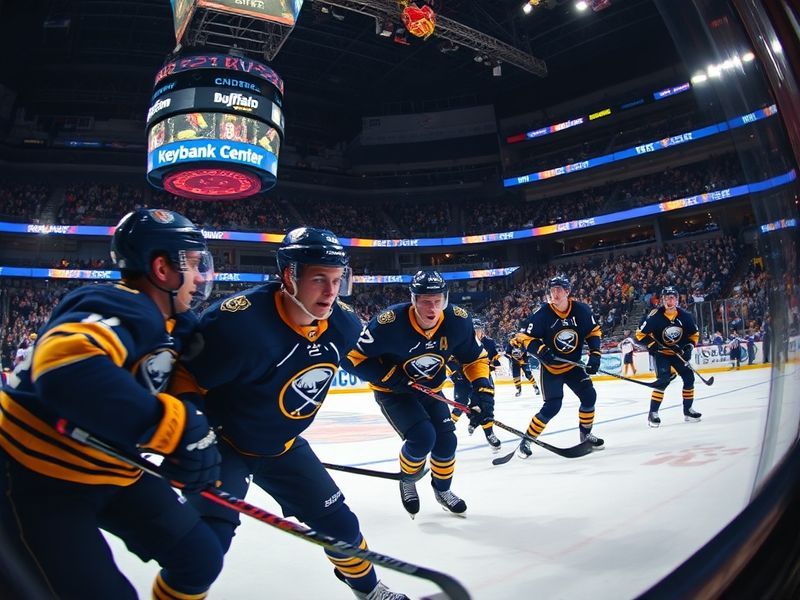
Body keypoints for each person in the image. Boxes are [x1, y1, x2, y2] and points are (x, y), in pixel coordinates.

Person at [0, 208, 223, 599]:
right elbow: (66, 368)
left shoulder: (171, 321)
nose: (201, 276)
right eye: (192, 263)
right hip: (35, 476)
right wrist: (174, 429)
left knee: (200, 558)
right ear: (161, 268)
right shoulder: (120, 303)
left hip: (108, 467)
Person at [181, 227, 408, 600]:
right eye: (319, 279)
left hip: (282, 447)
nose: (331, 290)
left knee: (342, 527)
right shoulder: (236, 324)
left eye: (337, 280)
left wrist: (398, 380)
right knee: (206, 545)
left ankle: (368, 590)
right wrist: (190, 438)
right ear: (289, 276)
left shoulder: (343, 324)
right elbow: (187, 381)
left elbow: (365, 363)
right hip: (224, 447)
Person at [345, 270, 493, 518]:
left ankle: (442, 490)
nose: (432, 308)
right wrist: (388, 376)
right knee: (423, 438)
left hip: (430, 391)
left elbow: (474, 358)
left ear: (445, 299)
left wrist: (483, 391)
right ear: (413, 299)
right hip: (394, 392)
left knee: (447, 442)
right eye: (425, 300)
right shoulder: (388, 323)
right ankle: (408, 478)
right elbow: (351, 358)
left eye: (437, 301)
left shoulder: (458, 321)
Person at [513, 275, 604, 458]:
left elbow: (593, 331)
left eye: (559, 290)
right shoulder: (543, 314)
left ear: (567, 292)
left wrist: (595, 355)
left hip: (573, 366)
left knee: (589, 397)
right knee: (552, 406)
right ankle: (527, 440)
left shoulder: (581, 310)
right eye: (552, 290)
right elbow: (523, 337)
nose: (554, 294)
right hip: (552, 369)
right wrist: (540, 350)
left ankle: (585, 435)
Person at [635, 285, 701, 427]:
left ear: (677, 300)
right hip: (662, 355)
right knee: (663, 381)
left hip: (678, 354)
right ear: (662, 300)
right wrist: (652, 345)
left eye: (672, 298)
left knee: (689, 378)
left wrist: (689, 346)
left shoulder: (685, 316)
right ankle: (653, 413)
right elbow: (639, 335)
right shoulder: (654, 316)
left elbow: (694, 334)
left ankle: (688, 410)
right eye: (666, 298)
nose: (669, 301)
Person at [449, 318, 501, 452]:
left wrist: (495, 363)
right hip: (463, 376)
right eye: (475, 329)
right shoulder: (460, 340)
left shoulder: (488, 342)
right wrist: (454, 371)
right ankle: (446, 431)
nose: (477, 332)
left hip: (482, 375)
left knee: (485, 404)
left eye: (479, 329)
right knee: (460, 403)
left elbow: (494, 356)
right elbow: (448, 358)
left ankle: (489, 433)